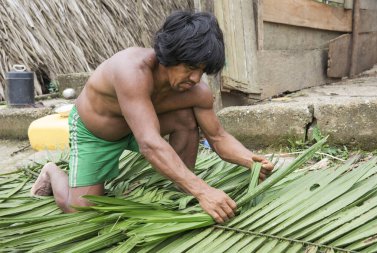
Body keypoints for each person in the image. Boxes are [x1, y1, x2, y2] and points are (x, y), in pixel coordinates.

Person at [31, 11, 274, 224]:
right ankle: (52, 172)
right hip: (97, 133)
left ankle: (183, 182)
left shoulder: (196, 92)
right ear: (169, 56)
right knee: (80, 210)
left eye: (202, 71)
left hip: (143, 127)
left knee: (187, 117)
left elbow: (218, 136)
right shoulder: (131, 70)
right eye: (190, 68)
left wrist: (250, 161)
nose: (196, 79)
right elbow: (149, 143)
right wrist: (204, 191)